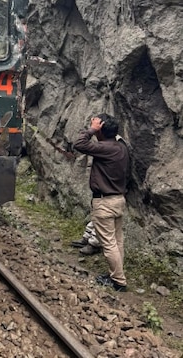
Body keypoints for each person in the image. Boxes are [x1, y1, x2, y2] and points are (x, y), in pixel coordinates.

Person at [73, 113, 129, 292]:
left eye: (98, 125)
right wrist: (101, 129)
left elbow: (79, 144)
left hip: (105, 203)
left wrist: (92, 129)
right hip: (119, 200)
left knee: (109, 244)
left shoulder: (106, 148)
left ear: (102, 129)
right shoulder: (121, 146)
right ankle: (116, 275)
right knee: (117, 241)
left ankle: (118, 281)